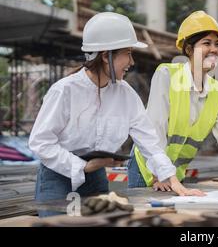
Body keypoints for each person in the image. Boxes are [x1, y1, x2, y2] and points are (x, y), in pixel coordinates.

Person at [29, 12, 203, 217]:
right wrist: (82, 166)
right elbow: (41, 142)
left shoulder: (126, 94)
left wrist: (172, 180)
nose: (132, 61)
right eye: (128, 53)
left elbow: (149, 142)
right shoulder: (65, 91)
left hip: (96, 177)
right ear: (106, 56)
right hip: (58, 177)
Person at [128, 11, 218, 189]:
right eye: (206, 43)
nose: (214, 49)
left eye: (217, 44)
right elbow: (155, 129)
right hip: (147, 168)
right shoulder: (167, 75)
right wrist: (160, 175)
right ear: (188, 49)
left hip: (174, 173)